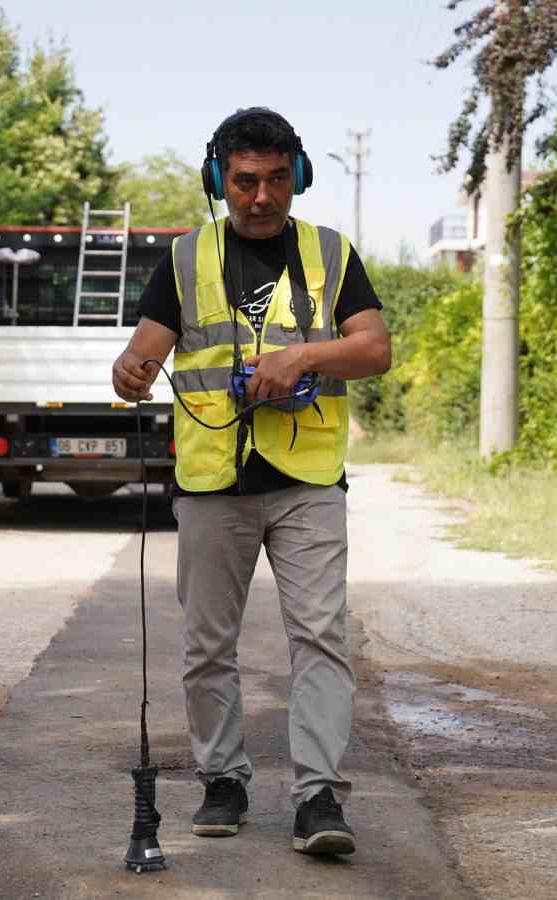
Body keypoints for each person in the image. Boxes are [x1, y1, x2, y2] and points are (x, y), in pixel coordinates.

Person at [111, 107, 391, 856]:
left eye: (275, 180)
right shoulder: (184, 258)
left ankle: (319, 797)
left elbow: (375, 349)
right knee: (207, 647)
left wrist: (302, 358)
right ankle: (223, 780)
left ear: (297, 175)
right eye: (244, 182)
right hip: (211, 482)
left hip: (308, 478)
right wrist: (130, 372)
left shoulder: (332, 254)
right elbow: (145, 354)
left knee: (321, 639)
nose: (261, 197)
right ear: (219, 179)